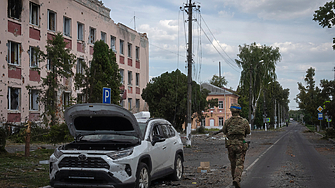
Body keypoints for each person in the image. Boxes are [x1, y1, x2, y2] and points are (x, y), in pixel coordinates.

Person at [213, 103, 250, 188]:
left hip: (231, 145)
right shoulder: (244, 121)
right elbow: (248, 131)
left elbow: (225, 131)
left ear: (231, 111)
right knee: (239, 164)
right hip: (241, 145)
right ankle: (237, 179)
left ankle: (234, 179)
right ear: (239, 111)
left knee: (233, 164)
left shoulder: (227, 121)